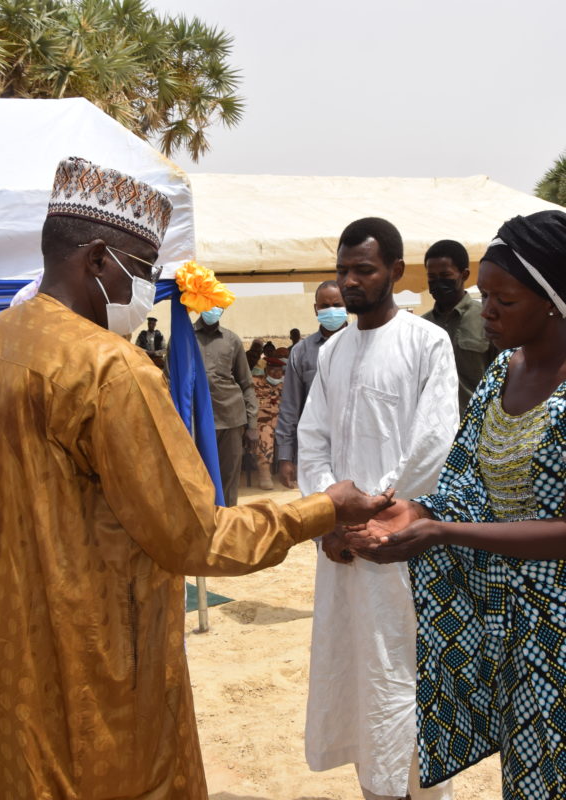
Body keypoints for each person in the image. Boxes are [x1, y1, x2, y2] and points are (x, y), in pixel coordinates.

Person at [0, 156, 395, 800]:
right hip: (88, 680)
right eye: (144, 273)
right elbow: (198, 538)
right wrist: (324, 508)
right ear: (98, 261)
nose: (148, 290)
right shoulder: (110, 370)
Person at [347, 209, 566, 800]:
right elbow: (467, 478)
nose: (487, 311)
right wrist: (410, 513)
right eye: (484, 295)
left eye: (505, 299)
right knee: (529, 774)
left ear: (554, 299)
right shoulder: (503, 375)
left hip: (560, 627)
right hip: (516, 630)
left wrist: (447, 533)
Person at [298, 217, 459, 800]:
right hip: (342, 549)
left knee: (403, 673)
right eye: (342, 270)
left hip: (400, 548)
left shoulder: (426, 342)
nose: (349, 282)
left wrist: (377, 516)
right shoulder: (333, 350)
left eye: (362, 269)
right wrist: (328, 516)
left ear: (394, 271)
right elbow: (312, 437)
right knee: (359, 676)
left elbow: (434, 439)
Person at [276, 280, 347, 488]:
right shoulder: (301, 352)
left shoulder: (362, 344)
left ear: (347, 306)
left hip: (356, 445)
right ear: (316, 309)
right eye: (325, 306)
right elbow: (290, 406)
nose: (331, 310)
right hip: (316, 449)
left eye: (337, 305)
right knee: (321, 510)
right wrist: (285, 456)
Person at [190, 306, 259, 506]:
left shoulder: (232, 340)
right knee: (199, 479)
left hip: (231, 419)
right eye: (209, 304)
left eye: (218, 306)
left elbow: (246, 384)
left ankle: (227, 529)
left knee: (228, 479)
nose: (213, 309)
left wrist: (252, 425)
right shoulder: (184, 338)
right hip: (197, 421)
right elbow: (169, 380)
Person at [422, 240, 495, 416]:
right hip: (433, 428)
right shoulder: (421, 326)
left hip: (477, 426)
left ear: (464, 274)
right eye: (432, 277)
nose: (438, 282)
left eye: (445, 275)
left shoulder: (487, 318)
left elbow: (505, 375)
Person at [253, 357, 285, 490]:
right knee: (265, 432)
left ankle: (295, 469)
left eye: (278, 371)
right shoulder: (257, 383)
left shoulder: (286, 385)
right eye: (272, 370)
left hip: (283, 421)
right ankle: (265, 473)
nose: (276, 374)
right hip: (263, 422)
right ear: (266, 371)